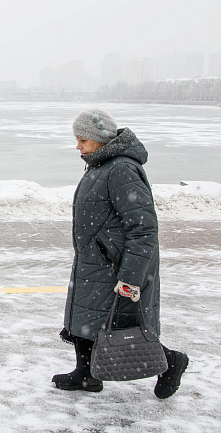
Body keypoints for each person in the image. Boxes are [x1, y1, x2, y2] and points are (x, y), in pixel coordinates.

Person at [52, 109, 188, 399]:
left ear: (100, 140)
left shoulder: (121, 169)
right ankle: (87, 374)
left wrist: (131, 277)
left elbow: (144, 229)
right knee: (87, 318)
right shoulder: (99, 164)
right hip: (96, 260)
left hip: (116, 264)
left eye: (83, 140)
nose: (78, 146)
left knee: (121, 327)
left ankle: (171, 362)